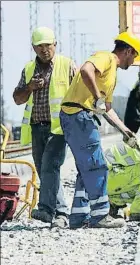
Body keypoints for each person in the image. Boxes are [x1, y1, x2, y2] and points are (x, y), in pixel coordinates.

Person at [59, 31, 140, 229]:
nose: (133, 62)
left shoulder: (111, 75)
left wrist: (126, 131)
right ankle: (100, 216)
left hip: (78, 116)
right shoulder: (106, 58)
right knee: (97, 166)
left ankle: (79, 216)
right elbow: (85, 70)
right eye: (134, 56)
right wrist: (97, 97)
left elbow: (108, 109)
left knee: (86, 169)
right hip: (78, 115)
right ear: (128, 51)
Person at [12, 27, 77, 228]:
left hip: (58, 127)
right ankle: (60, 214)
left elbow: (79, 92)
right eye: (40, 46)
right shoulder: (29, 69)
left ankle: (48, 209)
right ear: (34, 48)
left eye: (48, 45)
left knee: (50, 165)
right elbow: (17, 99)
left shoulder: (67, 65)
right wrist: (29, 87)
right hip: (36, 127)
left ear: (55, 45)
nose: (44, 49)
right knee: (45, 170)